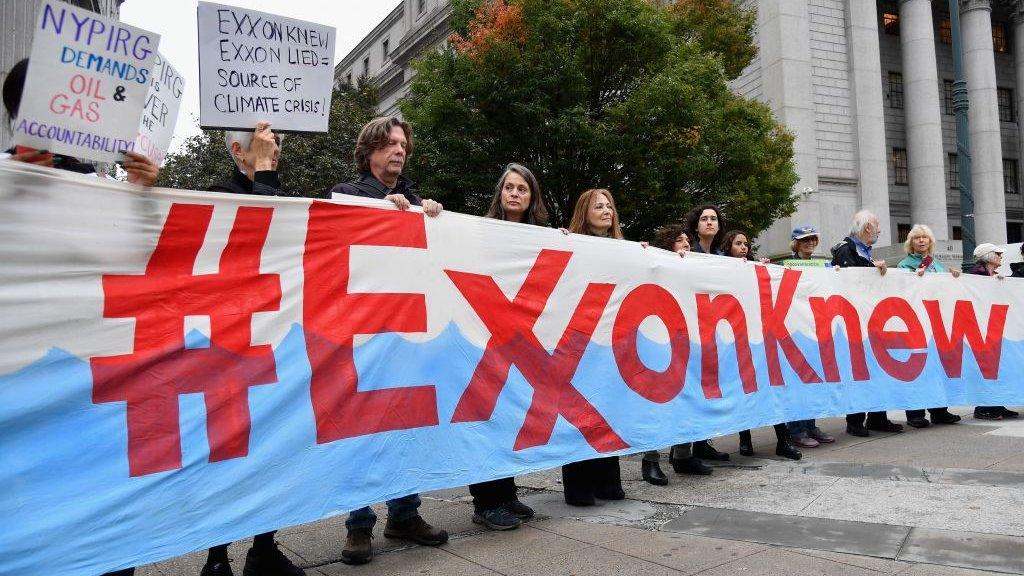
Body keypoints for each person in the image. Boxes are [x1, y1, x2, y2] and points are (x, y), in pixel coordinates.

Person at [4, 57, 159, 576]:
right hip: (18, 387)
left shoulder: (95, 185)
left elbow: (138, 261)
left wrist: (143, 196)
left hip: (91, 381)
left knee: (106, 528)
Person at [328, 116, 447, 565]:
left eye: (403, 145)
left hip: (407, 332)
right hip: (361, 333)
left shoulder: (417, 200)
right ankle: (359, 525)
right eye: (389, 144)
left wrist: (430, 217)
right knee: (362, 430)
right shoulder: (349, 196)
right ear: (369, 151)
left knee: (404, 428)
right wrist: (382, 209)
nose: (399, 151)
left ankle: (404, 514)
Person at [194, 123, 306, 576]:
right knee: (226, 449)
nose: (275, 149)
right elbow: (251, 236)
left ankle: (264, 546)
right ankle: (216, 557)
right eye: (265, 144)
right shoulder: (218, 193)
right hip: (227, 343)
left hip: (272, 339)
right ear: (239, 150)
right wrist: (264, 175)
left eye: (276, 143)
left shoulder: (274, 191)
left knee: (271, 447)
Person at [466, 163, 545, 529]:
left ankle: (507, 492)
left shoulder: (541, 237)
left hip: (520, 341)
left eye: (522, 189)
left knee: (510, 416)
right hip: (486, 337)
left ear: (532, 198)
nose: (514, 193)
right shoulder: (478, 233)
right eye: (509, 187)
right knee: (487, 417)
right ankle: (486, 501)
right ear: (500, 194)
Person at [561, 188, 628, 506]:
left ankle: (607, 480)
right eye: (598, 206)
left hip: (610, 343)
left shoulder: (624, 250)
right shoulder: (569, 243)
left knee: (609, 408)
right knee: (581, 412)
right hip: (578, 340)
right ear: (583, 212)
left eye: (609, 206)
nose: (606, 211)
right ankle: (578, 485)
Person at [2, 58, 158, 187]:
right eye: (34, 101)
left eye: (62, 103)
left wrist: (138, 193)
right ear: (15, 109)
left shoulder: (97, 182)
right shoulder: (3, 169)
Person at [640, 225, 713, 482]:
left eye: (687, 241)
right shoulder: (656, 267)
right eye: (679, 241)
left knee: (689, 399)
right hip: (661, 343)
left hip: (690, 343)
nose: (686, 245)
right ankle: (650, 459)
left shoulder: (694, 269)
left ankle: (683, 455)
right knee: (659, 404)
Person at [720, 231, 801, 460]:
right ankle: (745, 439)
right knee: (744, 389)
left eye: (746, 243)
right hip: (736, 339)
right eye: (738, 243)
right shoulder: (720, 268)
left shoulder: (754, 267)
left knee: (771, 388)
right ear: (728, 247)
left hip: (760, 338)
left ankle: (783, 440)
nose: (743, 247)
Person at [830, 210, 903, 437]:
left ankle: (877, 417)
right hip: (855, 323)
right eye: (877, 226)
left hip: (870, 322)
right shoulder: (846, 249)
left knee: (876, 370)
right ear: (867, 228)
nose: (880, 230)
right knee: (859, 371)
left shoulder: (863, 251)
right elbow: (850, 282)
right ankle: (855, 421)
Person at [896, 224, 963, 429]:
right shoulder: (903, 265)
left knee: (936, 367)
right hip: (916, 322)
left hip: (936, 322)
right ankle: (915, 413)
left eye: (925, 237)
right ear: (911, 243)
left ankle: (939, 411)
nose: (922, 240)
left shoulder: (938, 265)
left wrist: (954, 278)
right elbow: (901, 290)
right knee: (917, 368)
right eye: (917, 238)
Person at [678, 205, 731, 462]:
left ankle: (701, 443)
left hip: (712, 330)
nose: (709, 222)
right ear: (695, 224)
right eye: (704, 219)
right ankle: (682, 451)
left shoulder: (721, 255)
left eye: (713, 219)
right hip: (690, 328)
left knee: (708, 387)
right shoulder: (688, 251)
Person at [784, 226, 835, 448]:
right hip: (795, 328)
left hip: (815, 327)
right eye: (805, 240)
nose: (810, 243)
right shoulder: (787, 265)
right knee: (798, 381)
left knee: (813, 379)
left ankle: (810, 425)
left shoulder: (823, 265)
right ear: (796, 243)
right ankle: (796, 429)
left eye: (813, 239)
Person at [967, 243, 1019, 421]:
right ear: (987, 256)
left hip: (994, 327)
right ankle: (983, 407)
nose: (1000, 256)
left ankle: (997, 403)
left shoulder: (992, 275)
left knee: (997, 368)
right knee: (987, 368)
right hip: (982, 328)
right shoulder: (976, 274)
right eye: (997, 253)